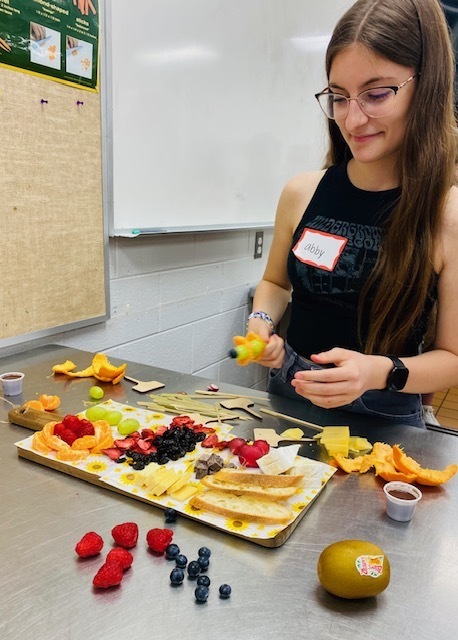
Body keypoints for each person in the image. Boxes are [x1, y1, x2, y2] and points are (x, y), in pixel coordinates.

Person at [247, 0, 458, 428]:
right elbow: (273, 282)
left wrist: (378, 371)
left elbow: (452, 358)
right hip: (290, 393)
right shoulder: (301, 192)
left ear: (427, 87)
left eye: (377, 94)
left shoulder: (446, 215)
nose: (353, 119)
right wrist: (260, 323)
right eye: (339, 97)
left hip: (385, 411)